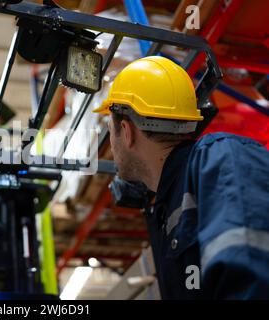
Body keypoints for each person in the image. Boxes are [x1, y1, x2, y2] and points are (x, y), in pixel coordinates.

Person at [94, 56, 269, 299]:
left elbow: (251, 276)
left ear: (126, 132)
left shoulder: (220, 158)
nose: (111, 145)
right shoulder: (170, 204)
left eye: (110, 131)